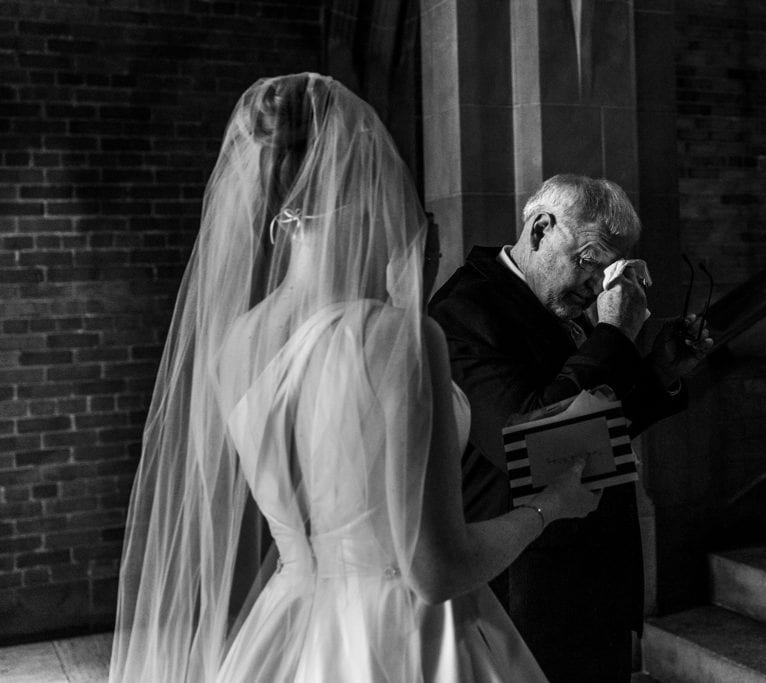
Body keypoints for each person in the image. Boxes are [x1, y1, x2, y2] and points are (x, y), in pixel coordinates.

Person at [109, 73, 600, 683]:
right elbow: (436, 570)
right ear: (363, 188)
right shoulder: (399, 338)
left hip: (289, 627)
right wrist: (552, 507)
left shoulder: (237, 342)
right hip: (403, 637)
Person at [428, 174, 712, 682]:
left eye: (606, 271)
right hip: (525, 588)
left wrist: (657, 374)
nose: (594, 286)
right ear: (541, 229)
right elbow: (530, 440)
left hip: (593, 577)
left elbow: (594, 428)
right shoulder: (464, 311)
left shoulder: (558, 302)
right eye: (587, 262)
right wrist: (612, 334)